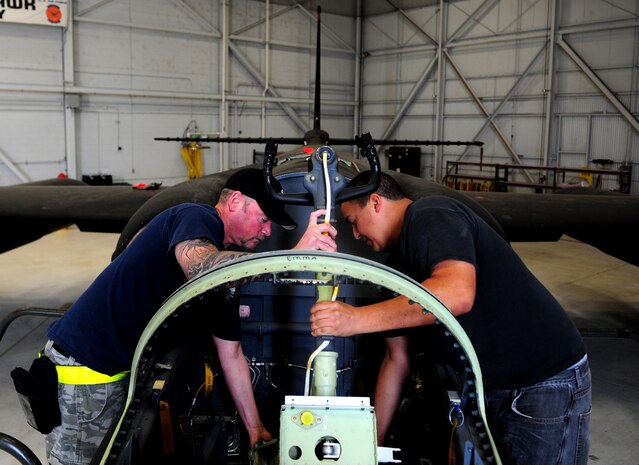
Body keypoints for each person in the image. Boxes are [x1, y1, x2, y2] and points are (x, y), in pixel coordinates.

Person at [43, 168, 338, 465]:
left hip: (112, 372)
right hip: (85, 369)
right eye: (264, 219)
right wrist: (292, 255)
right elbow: (202, 267)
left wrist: (255, 428)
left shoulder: (225, 278)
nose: (267, 231)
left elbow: (231, 353)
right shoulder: (196, 217)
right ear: (235, 202)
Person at [309, 171, 591, 465]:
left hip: (542, 385)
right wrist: (370, 442)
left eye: (354, 222)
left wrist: (354, 320)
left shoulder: (431, 214)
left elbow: (456, 293)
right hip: (492, 389)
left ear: (376, 203)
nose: (355, 235)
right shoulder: (393, 270)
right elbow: (397, 360)